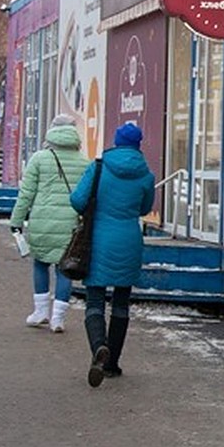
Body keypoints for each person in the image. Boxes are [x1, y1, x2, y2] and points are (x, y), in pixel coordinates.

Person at [70, 122, 155, 388]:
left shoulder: (98, 167)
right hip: (129, 241)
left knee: (95, 301)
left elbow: (77, 200)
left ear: (116, 141)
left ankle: (99, 346)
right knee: (121, 303)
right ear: (138, 145)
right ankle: (112, 364)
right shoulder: (146, 174)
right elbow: (145, 208)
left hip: (99, 241)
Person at [8, 113, 90, 332]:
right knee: (65, 268)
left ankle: (40, 312)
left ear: (52, 131)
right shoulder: (84, 162)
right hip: (71, 226)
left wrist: (16, 221)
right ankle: (58, 318)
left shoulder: (39, 158)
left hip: (42, 222)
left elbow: (26, 194)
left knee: (41, 263)